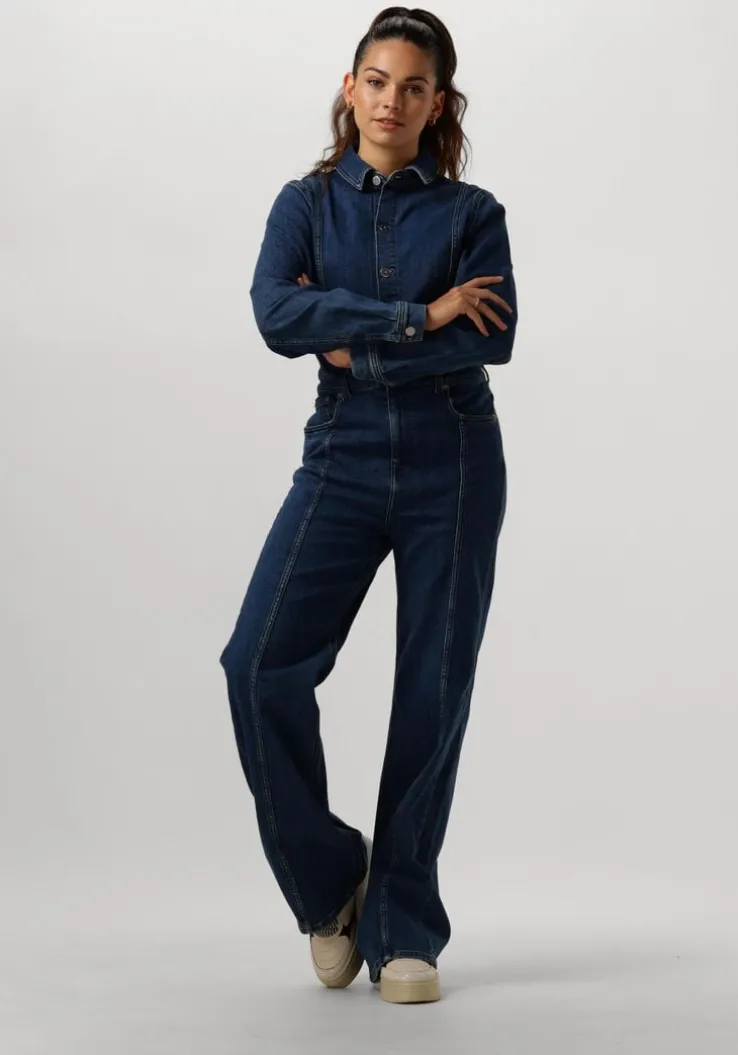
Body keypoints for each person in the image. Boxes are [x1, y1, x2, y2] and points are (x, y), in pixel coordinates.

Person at [220, 6, 517, 1005]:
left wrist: (356, 339)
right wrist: (419, 313)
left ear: (439, 104)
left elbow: (492, 336)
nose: (392, 101)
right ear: (351, 90)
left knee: (432, 688)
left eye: (414, 87)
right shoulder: (304, 204)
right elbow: (276, 311)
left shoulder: (474, 214)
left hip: (455, 460)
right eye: (377, 81)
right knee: (257, 664)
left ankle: (405, 924)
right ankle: (331, 883)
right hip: (341, 456)